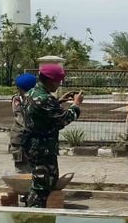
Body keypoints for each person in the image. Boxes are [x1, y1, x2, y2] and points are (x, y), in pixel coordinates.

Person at [21, 64, 83, 208]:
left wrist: (58, 101)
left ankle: (35, 214)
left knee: (38, 181)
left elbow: (43, 113)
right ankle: (35, 219)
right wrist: (76, 104)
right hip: (43, 148)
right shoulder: (44, 99)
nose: (59, 83)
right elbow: (65, 118)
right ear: (50, 80)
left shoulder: (30, 93)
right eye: (58, 81)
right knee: (42, 187)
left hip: (33, 145)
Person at [9, 73, 37, 174]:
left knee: (34, 171)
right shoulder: (18, 99)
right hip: (20, 139)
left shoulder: (35, 98)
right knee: (22, 171)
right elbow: (22, 119)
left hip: (32, 141)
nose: (18, 89)